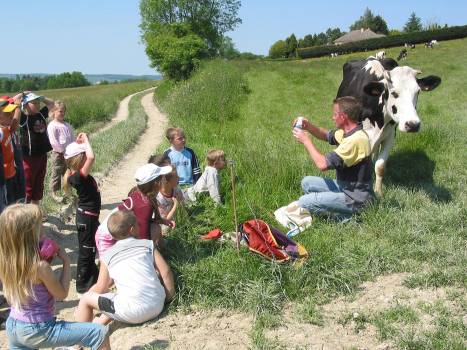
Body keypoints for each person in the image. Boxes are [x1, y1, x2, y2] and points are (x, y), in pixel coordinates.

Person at [0, 203, 110, 350]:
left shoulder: (6, 262)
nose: (43, 232)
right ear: (29, 236)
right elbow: (62, 293)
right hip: (39, 328)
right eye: (39, 229)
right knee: (99, 333)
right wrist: (65, 261)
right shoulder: (40, 267)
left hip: (14, 325)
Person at [76, 210, 175, 326]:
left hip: (133, 313)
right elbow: (166, 271)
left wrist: (82, 304)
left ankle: (81, 335)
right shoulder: (147, 244)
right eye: (137, 224)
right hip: (158, 304)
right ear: (132, 229)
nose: (140, 226)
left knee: (86, 299)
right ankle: (98, 323)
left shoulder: (107, 255)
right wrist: (169, 297)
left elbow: (101, 287)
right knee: (118, 298)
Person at [292, 96, 374, 220]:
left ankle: (349, 218)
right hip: (346, 187)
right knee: (307, 182)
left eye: (335, 114)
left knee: (304, 202)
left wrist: (306, 141)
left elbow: (322, 165)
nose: (332, 117)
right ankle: (335, 204)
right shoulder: (348, 132)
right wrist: (308, 126)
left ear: (343, 116)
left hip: (356, 198)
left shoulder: (356, 140)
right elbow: (326, 135)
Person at [94, 163, 173, 256]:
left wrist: (162, 221)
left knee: (155, 228)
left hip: (118, 233)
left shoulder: (141, 194)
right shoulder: (144, 205)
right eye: (162, 177)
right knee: (112, 267)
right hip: (108, 239)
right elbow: (144, 239)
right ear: (156, 183)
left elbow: (143, 222)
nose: (164, 179)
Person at [63, 133, 101, 293]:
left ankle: (94, 277)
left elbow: (89, 156)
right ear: (79, 160)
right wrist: (85, 141)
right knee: (87, 252)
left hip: (90, 218)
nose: (88, 157)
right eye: (83, 155)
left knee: (93, 248)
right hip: (87, 219)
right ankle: (83, 286)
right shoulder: (77, 177)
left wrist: (85, 142)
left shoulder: (76, 175)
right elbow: (91, 157)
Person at [19, 92, 54, 208]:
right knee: (28, 185)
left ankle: (36, 209)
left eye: (38, 102)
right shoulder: (24, 118)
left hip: (42, 155)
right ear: (26, 105)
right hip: (29, 157)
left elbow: (52, 103)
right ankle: (26, 211)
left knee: (39, 184)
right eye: (34, 102)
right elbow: (15, 108)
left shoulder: (41, 115)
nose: (38, 105)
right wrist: (21, 96)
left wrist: (42, 97)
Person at [47, 100, 74, 202]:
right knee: (56, 172)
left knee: (67, 173)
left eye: (63, 111)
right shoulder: (52, 125)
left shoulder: (67, 125)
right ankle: (54, 193)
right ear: (53, 112)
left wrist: (73, 149)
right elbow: (53, 141)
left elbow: (72, 138)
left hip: (68, 154)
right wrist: (62, 151)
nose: (62, 113)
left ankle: (67, 191)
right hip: (57, 154)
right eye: (60, 111)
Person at [156, 166, 184, 233]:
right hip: (164, 223)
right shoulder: (159, 198)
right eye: (176, 177)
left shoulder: (176, 189)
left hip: (177, 218)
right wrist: (176, 205)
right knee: (166, 229)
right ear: (167, 182)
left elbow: (183, 207)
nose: (179, 178)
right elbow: (165, 220)